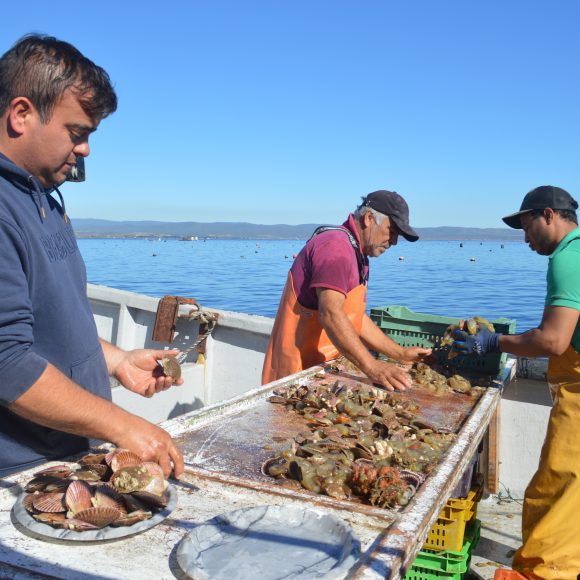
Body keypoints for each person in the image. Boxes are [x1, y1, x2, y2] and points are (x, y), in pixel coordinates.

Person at [0, 34, 184, 479]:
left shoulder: (43, 197)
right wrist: (124, 426)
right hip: (19, 473)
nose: (85, 150)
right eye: (77, 133)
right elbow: (7, 362)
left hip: (66, 449)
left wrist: (118, 361)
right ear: (22, 114)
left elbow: (54, 323)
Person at [453, 185, 580, 579]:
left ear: (548, 215)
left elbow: (553, 339)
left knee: (555, 488)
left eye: (526, 227)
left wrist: (493, 341)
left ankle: (540, 573)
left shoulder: (568, 258)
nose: (524, 239)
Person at [262, 190, 432, 390]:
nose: (394, 242)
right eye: (392, 231)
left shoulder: (357, 253)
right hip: (295, 377)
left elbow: (354, 318)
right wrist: (372, 366)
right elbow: (331, 314)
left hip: (322, 371)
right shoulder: (336, 248)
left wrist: (399, 353)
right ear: (369, 218)